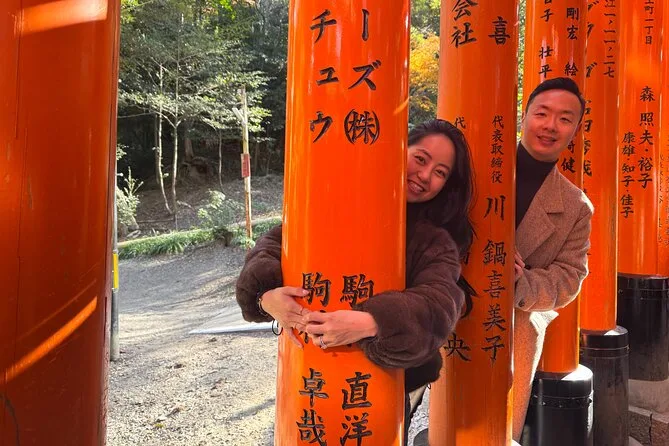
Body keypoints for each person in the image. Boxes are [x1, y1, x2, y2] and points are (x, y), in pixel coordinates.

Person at [235, 119, 475, 437]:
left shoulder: (434, 240)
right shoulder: (339, 200)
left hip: (391, 378)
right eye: (420, 159)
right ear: (397, 150)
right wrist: (265, 297)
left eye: (440, 172)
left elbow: (441, 302)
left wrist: (373, 322)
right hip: (310, 374)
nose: (425, 175)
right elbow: (273, 245)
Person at [513, 77, 594, 441]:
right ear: (524, 115)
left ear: (575, 131)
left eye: (564, 119)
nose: (550, 126)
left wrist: (520, 281)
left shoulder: (576, 206)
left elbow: (569, 277)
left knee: (498, 426)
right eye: (542, 113)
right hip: (448, 308)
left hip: (516, 323)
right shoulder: (477, 169)